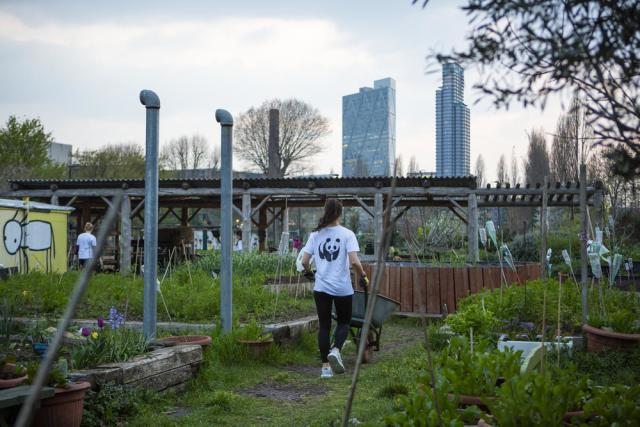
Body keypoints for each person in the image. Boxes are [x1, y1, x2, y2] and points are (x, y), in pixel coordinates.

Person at [301, 199, 367, 379]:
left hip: (321, 287)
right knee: (344, 323)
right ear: (340, 213)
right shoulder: (348, 234)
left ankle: (325, 368)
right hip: (342, 288)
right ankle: (336, 350)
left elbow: (304, 261)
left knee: (324, 326)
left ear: (325, 211)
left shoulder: (315, 235)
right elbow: (354, 261)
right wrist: (363, 275)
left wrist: (310, 273)